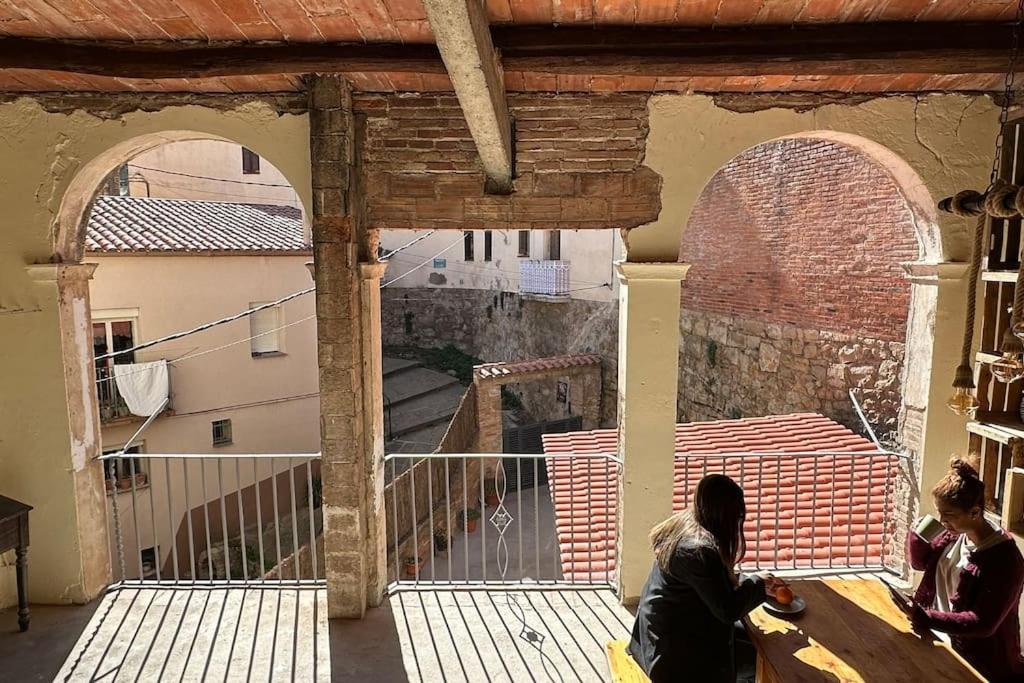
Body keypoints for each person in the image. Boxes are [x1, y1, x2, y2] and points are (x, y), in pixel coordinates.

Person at [628, 474, 785, 683]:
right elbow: (728, 610)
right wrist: (758, 583)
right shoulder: (698, 552)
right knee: (767, 658)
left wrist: (753, 583)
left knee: (760, 642)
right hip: (671, 662)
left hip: (657, 637)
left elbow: (708, 583)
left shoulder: (685, 528)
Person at [905, 457, 1024, 682]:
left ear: (974, 512)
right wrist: (917, 536)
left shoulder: (1005, 560)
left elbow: (982, 623)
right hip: (940, 643)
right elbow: (920, 564)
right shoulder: (954, 534)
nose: (942, 520)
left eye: (949, 515)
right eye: (939, 512)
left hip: (980, 664)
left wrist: (927, 617)